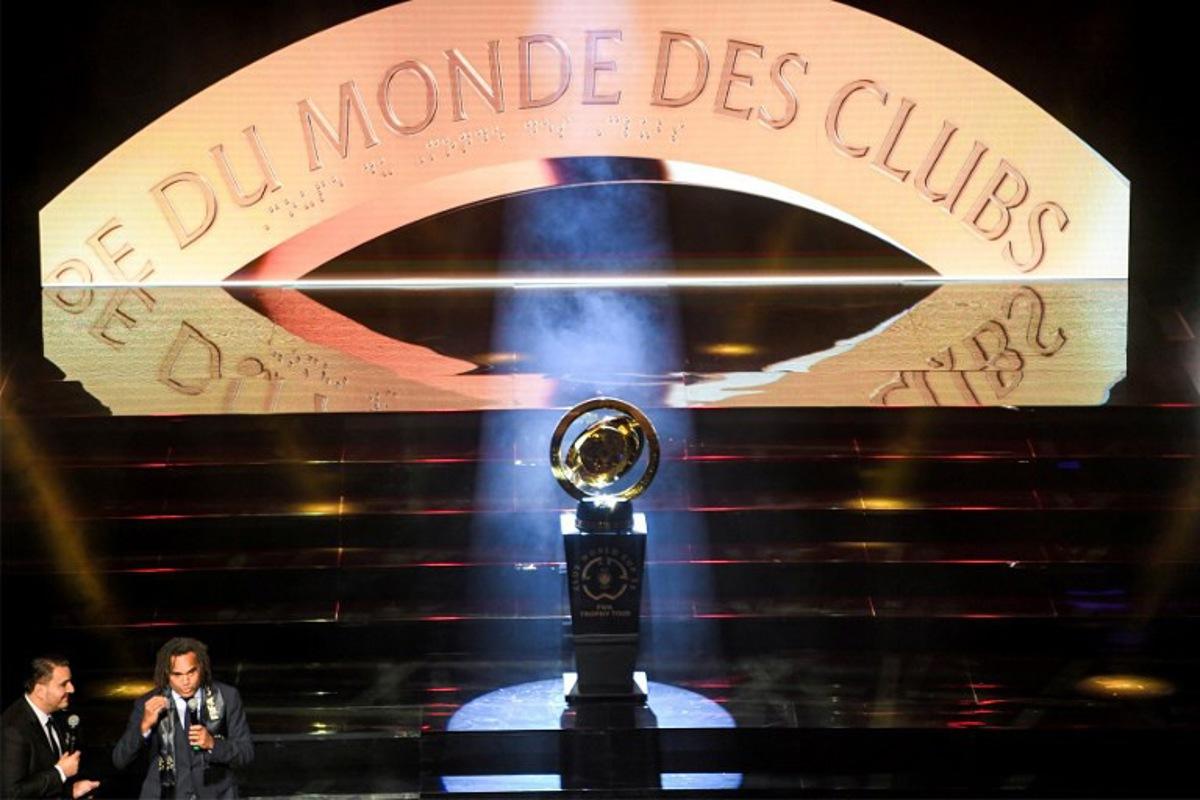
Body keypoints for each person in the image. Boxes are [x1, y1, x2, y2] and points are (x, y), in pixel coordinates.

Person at [112, 638, 253, 799]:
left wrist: (213, 744)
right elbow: (120, 760)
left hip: (216, 794)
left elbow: (246, 753)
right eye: (177, 674)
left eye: (191, 672)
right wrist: (143, 727)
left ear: (202, 667)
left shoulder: (227, 697)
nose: (185, 681)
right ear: (166, 673)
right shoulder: (148, 704)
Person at [2, 655, 101, 798]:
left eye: (70, 682)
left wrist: (71, 791)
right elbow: (10, 793)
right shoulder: (12, 729)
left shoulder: (57, 715)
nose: (71, 689)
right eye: (63, 684)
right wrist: (60, 772)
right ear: (40, 691)